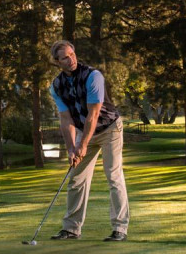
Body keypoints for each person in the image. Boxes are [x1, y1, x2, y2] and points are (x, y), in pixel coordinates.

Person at [48, 40, 129, 242]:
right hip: (85, 131)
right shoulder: (56, 86)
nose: (71, 59)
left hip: (109, 128)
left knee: (113, 175)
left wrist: (82, 144)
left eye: (72, 54)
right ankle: (71, 229)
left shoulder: (93, 77)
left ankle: (120, 228)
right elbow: (66, 119)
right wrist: (70, 148)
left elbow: (93, 116)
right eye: (65, 57)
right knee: (76, 178)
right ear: (57, 62)